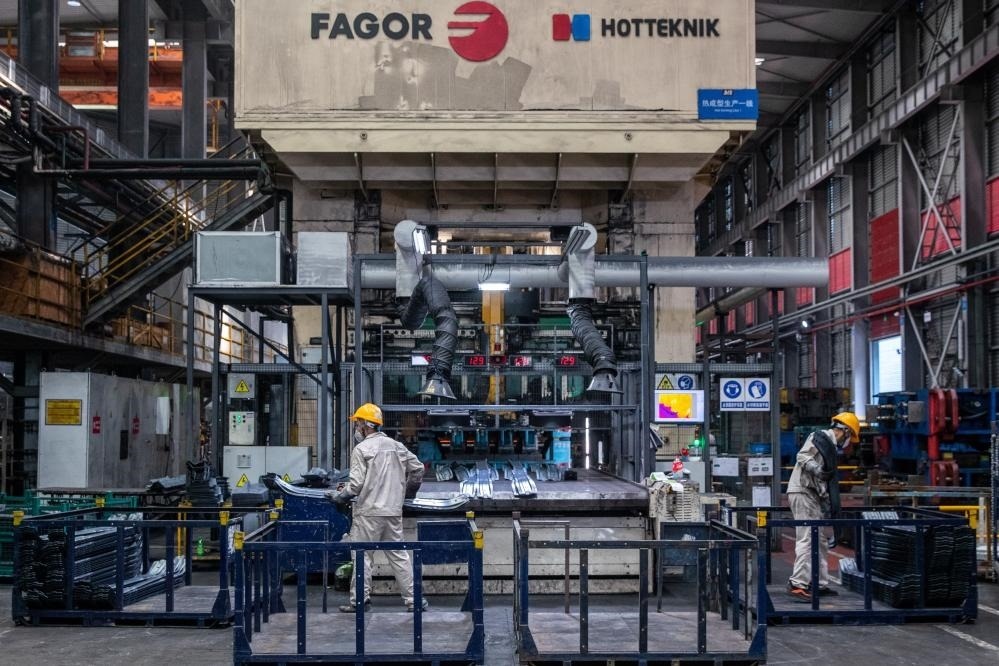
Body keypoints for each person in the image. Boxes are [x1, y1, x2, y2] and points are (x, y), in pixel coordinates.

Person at [326, 402, 426, 612]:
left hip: (369, 514)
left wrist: (339, 497)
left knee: (362, 556)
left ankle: (360, 602)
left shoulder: (361, 449)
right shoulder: (397, 446)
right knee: (399, 556)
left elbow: (355, 485)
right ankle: (415, 600)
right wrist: (407, 493)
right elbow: (418, 469)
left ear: (365, 425)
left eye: (358, 424)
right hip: (392, 512)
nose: (356, 428)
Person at [785, 411, 860, 602]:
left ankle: (818, 583)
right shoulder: (820, 438)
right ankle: (797, 584)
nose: (849, 443)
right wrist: (817, 470)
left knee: (820, 541)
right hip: (802, 492)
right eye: (850, 437)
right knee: (808, 538)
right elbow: (802, 456)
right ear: (845, 431)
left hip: (813, 496)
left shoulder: (830, 449)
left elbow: (825, 481)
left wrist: (827, 501)